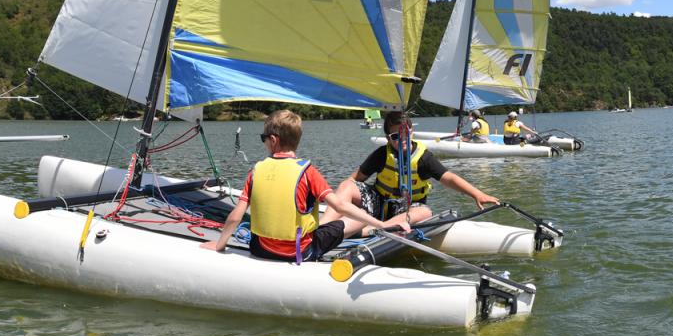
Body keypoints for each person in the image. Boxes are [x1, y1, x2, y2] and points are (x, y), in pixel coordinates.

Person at [202, 110, 406, 261]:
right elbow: (341, 207)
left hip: (261, 248)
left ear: (273, 140)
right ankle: (370, 228)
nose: (264, 142)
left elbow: (236, 216)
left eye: (264, 138)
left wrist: (220, 246)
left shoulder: (256, 171)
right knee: (359, 218)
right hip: (300, 252)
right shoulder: (308, 172)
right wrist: (382, 224)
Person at [330, 111, 499, 238]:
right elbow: (354, 179)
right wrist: (347, 204)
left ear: (412, 131)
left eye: (405, 132)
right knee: (346, 186)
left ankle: (374, 230)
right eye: (396, 136)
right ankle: (323, 229)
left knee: (425, 213)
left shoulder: (424, 158)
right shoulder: (382, 154)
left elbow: (448, 178)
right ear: (388, 138)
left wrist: (477, 194)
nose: (402, 138)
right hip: (379, 204)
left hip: (407, 210)